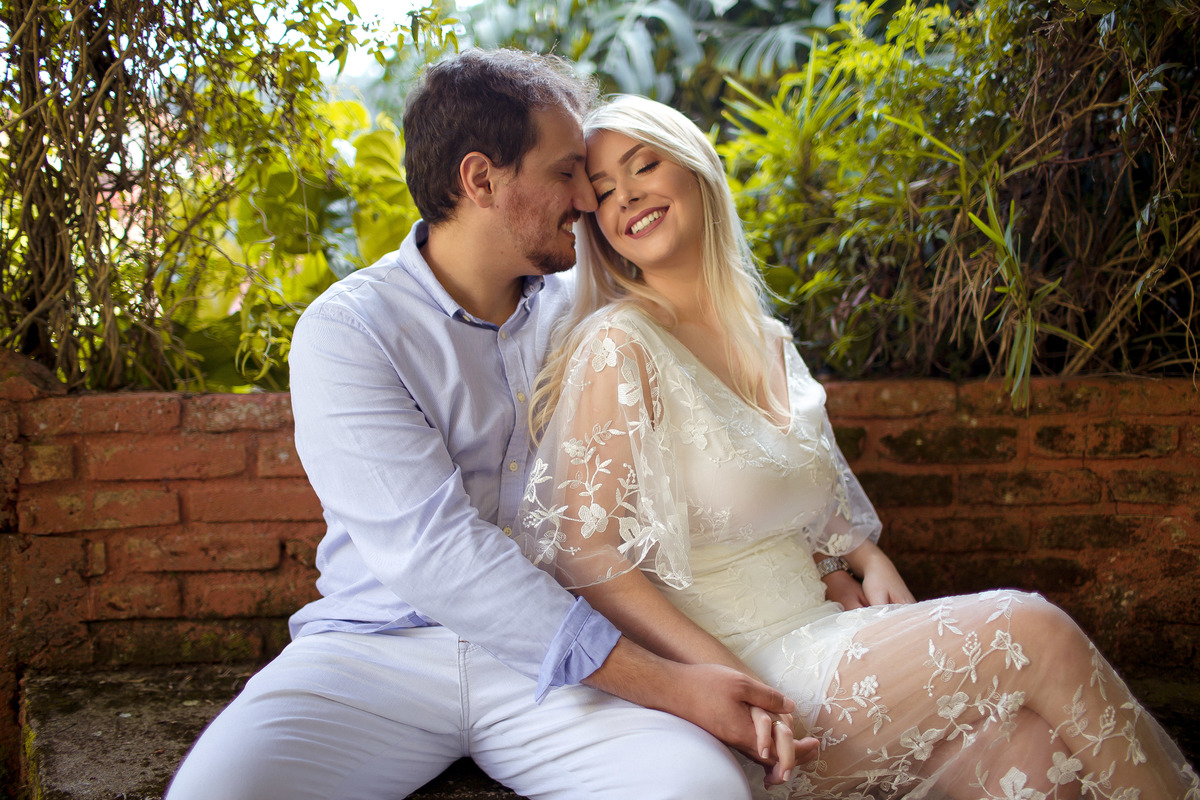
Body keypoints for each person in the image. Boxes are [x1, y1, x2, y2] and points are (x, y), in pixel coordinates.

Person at [516, 93, 1200, 800]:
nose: (627, 197)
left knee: (1027, 754)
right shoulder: (620, 344)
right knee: (1033, 629)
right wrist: (720, 678)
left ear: (697, 169)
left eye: (643, 166)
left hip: (826, 635)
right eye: (604, 192)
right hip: (748, 681)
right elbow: (584, 552)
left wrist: (864, 557)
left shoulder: (770, 342)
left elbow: (804, 502)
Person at [165, 50, 806, 800]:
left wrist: (833, 552)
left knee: (700, 791)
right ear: (481, 180)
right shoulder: (350, 331)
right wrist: (672, 685)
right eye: (567, 172)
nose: (588, 199)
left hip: (566, 668)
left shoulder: (590, 310)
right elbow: (435, 552)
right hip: (377, 654)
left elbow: (727, 422)